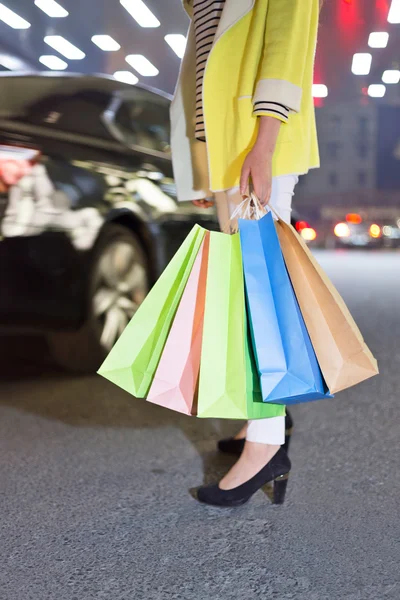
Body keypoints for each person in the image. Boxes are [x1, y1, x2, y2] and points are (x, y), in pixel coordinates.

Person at [170, 0, 322, 506]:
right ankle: (265, 415)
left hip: (256, 141)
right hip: (224, 144)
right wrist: (199, 156)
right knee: (248, 291)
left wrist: (265, 142)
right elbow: (205, 51)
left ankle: (267, 445)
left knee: (262, 294)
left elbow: (286, 38)